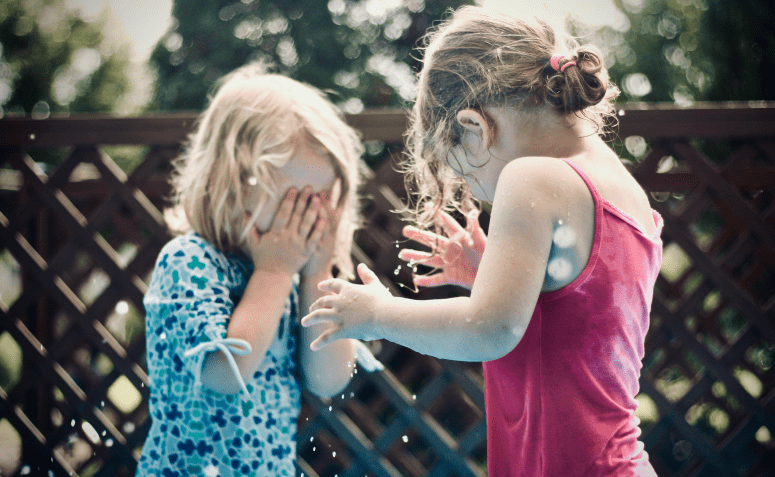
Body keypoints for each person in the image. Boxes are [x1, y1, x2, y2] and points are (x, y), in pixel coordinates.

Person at [302, 6, 662, 477]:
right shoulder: (626, 194)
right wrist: (492, 272)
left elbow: (489, 329)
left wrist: (376, 314)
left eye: (464, 172)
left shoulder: (532, 176)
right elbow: (579, 317)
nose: (475, 191)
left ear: (474, 126)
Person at [137, 62, 367, 476]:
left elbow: (330, 379)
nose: (310, 217)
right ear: (232, 183)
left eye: (321, 200)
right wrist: (275, 274)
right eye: (296, 199)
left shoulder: (298, 277)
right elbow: (224, 374)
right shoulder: (189, 261)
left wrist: (316, 275)